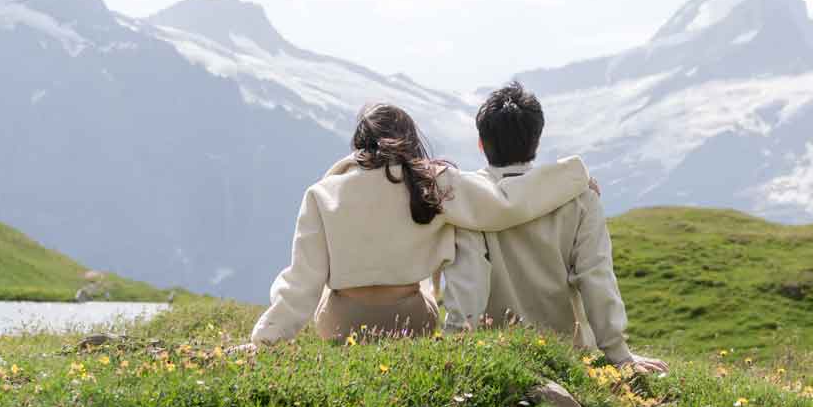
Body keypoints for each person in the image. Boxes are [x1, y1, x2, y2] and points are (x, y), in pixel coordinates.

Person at [250, 102, 598, 345]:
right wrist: (574, 177)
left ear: (359, 144)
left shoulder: (321, 193)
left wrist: (266, 338)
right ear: (411, 140)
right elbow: (505, 204)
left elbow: (302, 280)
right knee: (429, 275)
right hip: (411, 322)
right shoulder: (434, 182)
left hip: (341, 325)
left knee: (325, 277)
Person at [439, 82, 666, 375]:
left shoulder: (467, 202)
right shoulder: (580, 197)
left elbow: (469, 284)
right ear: (537, 140)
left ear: (481, 144)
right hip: (571, 357)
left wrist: (455, 350)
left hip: (497, 358)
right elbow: (596, 276)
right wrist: (619, 354)